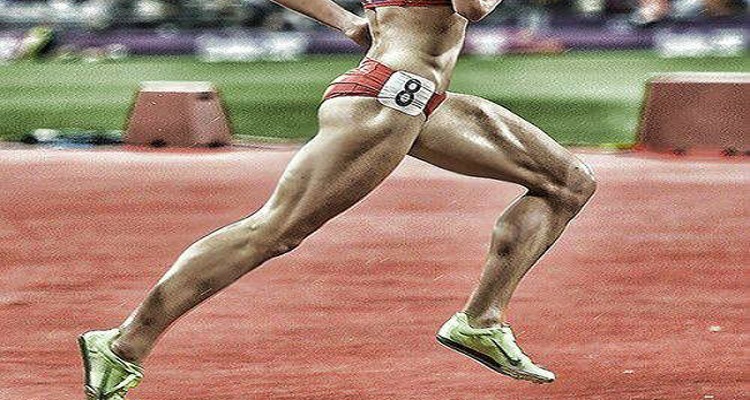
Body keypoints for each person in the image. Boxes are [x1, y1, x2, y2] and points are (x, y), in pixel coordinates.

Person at [79, 0, 597, 397]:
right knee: (274, 231)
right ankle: (123, 343)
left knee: (567, 182)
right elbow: (474, 6)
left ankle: (480, 321)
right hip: (387, 98)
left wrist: (347, 21)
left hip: (419, 97)